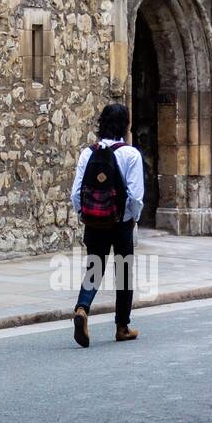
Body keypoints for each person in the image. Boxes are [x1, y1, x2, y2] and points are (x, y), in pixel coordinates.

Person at [70, 102, 144, 347]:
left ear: (101, 123)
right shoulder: (130, 154)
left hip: (95, 220)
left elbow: (76, 193)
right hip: (121, 222)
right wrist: (132, 218)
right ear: (125, 125)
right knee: (124, 273)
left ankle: (82, 308)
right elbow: (135, 197)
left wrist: (85, 213)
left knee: (95, 267)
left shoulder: (88, 153)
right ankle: (122, 327)